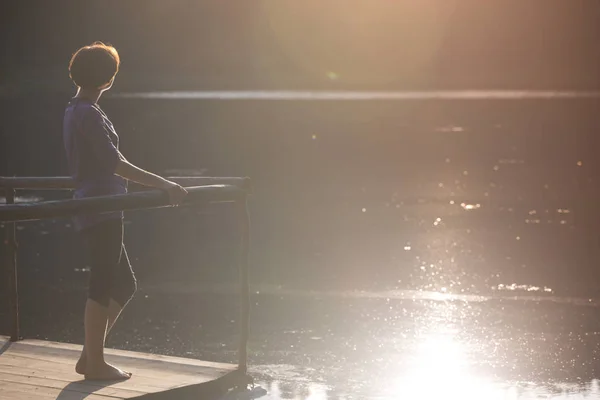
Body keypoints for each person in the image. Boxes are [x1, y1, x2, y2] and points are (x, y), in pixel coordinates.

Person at [63, 41, 188, 380]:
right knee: (102, 283)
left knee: (124, 284)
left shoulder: (77, 109)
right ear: (109, 79)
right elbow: (114, 163)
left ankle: (90, 356)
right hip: (101, 206)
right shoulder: (87, 112)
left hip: (100, 205)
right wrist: (163, 183)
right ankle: (95, 364)